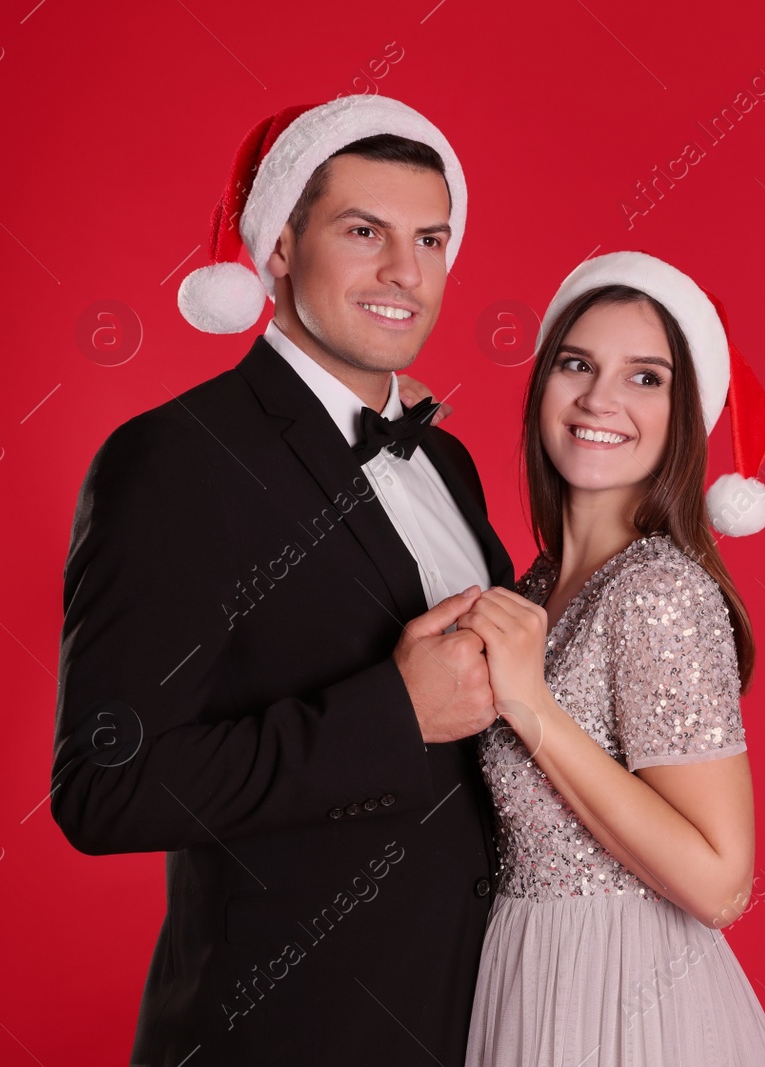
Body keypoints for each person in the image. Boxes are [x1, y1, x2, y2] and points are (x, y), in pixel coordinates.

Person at [51, 95, 512, 1065]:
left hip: (477, 1017)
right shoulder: (178, 457)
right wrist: (393, 711)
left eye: (430, 238)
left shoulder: (450, 465)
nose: (405, 272)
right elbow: (107, 785)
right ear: (275, 251)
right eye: (362, 232)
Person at [403, 251, 765, 1064]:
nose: (600, 398)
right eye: (577, 363)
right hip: (521, 970)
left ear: (685, 415)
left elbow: (722, 882)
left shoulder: (659, 590)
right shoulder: (535, 586)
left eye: (646, 378)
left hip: (629, 997)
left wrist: (532, 706)